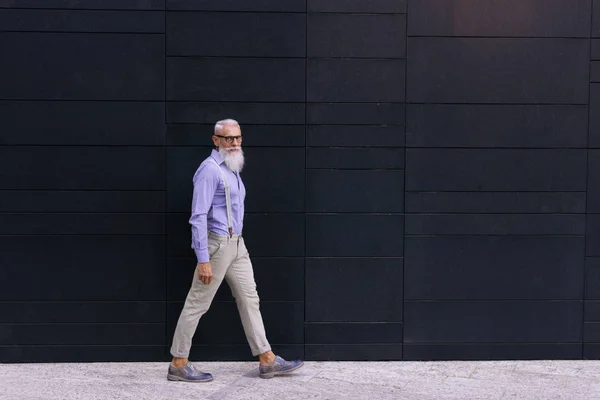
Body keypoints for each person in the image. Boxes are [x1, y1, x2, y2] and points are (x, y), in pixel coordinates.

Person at [167, 118, 304, 382]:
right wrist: (203, 258)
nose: (234, 143)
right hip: (217, 246)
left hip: (237, 245)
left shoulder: (232, 167)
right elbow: (198, 217)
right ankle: (178, 363)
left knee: (250, 300)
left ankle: (267, 359)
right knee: (198, 303)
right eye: (228, 138)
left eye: (238, 137)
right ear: (215, 140)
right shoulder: (209, 170)